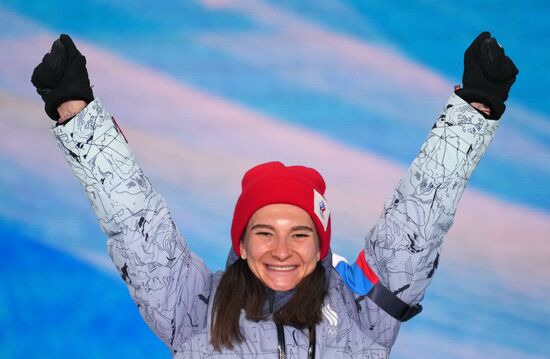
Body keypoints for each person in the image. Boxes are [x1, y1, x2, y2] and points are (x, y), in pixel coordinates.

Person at [31, 32, 518, 358]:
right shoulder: (196, 309)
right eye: (264, 233)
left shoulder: (363, 308)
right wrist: (78, 114)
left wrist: (475, 110)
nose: (281, 251)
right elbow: (137, 228)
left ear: (321, 244)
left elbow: (420, 213)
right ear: (240, 244)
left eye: (300, 234)